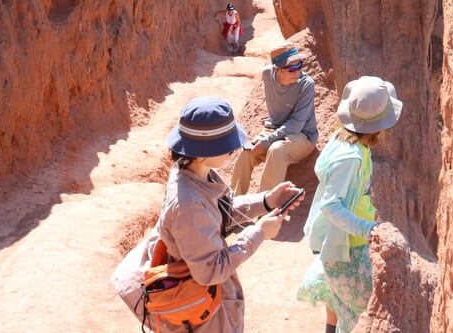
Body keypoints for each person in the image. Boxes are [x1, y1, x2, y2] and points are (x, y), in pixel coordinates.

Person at [112, 96, 303, 332]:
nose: (233, 149)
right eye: (227, 146)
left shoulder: (195, 171)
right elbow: (211, 271)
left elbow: (222, 210)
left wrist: (265, 201)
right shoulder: (188, 206)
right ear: (203, 152)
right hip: (200, 311)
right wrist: (259, 233)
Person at [297, 76, 403, 333]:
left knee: (336, 298)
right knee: (363, 310)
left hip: (339, 242)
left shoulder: (342, 139)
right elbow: (332, 206)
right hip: (347, 250)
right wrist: (367, 229)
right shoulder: (351, 158)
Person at [231, 45, 319, 195]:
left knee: (276, 150)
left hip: (303, 136)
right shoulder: (267, 75)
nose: (297, 71)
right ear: (276, 69)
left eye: (299, 65)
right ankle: (234, 203)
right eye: (291, 68)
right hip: (274, 128)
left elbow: (296, 125)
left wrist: (266, 141)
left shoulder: (306, 85)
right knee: (247, 152)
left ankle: (265, 208)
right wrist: (268, 135)